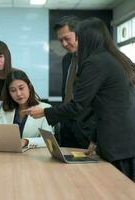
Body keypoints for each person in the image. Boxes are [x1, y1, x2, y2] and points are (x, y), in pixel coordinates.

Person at [25, 17, 135, 182]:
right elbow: (107, 106)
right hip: (127, 141)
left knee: (121, 192)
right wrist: (96, 138)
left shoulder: (95, 62)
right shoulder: (112, 58)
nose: (76, 42)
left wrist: (44, 112)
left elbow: (78, 106)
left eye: (78, 37)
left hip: (120, 144)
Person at [53, 15, 96, 149]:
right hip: (66, 124)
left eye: (67, 38)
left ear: (79, 34)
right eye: (61, 40)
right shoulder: (66, 59)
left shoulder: (94, 59)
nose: (64, 44)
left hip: (87, 128)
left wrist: (96, 136)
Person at [0, 70, 54, 148]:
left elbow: (48, 140)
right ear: (9, 93)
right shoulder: (5, 110)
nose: (18, 94)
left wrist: (26, 141)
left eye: (21, 88)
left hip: (33, 156)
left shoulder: (45, 108)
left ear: (29, 87)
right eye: (13, 90)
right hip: (9, 154)